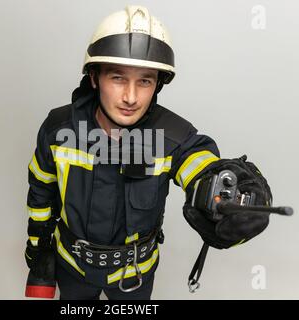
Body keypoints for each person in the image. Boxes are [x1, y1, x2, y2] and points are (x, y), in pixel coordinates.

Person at [23, 5, 272, 300]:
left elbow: (200, 165)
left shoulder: (173, 137)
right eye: (117, 77)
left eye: (145, 81)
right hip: (72, 269)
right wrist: (38, 247)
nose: (131, 97)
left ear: (157, 84)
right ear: (94, 77)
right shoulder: (58, 130)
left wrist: (228, 194)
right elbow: (41, 191)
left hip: (135, 277)